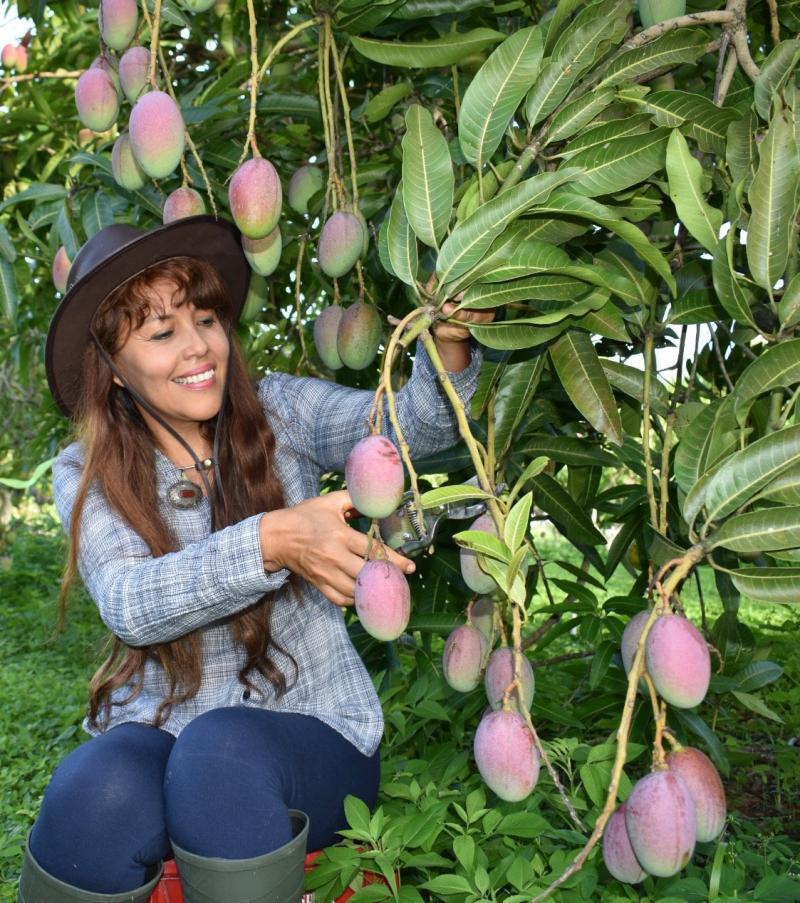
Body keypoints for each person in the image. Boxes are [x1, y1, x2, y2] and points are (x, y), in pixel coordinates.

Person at [19, 215, 491, 903]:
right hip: (163, 732)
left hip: (310, 737)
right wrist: (274, 540)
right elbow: (129, 600)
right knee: (96, 785)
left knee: (218, 757)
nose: (198, 347)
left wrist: (447, 339)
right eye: (161, 332)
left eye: (205, 318)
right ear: (114, 370)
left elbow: (411, 427)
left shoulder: (278, 411)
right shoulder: (86, 471)